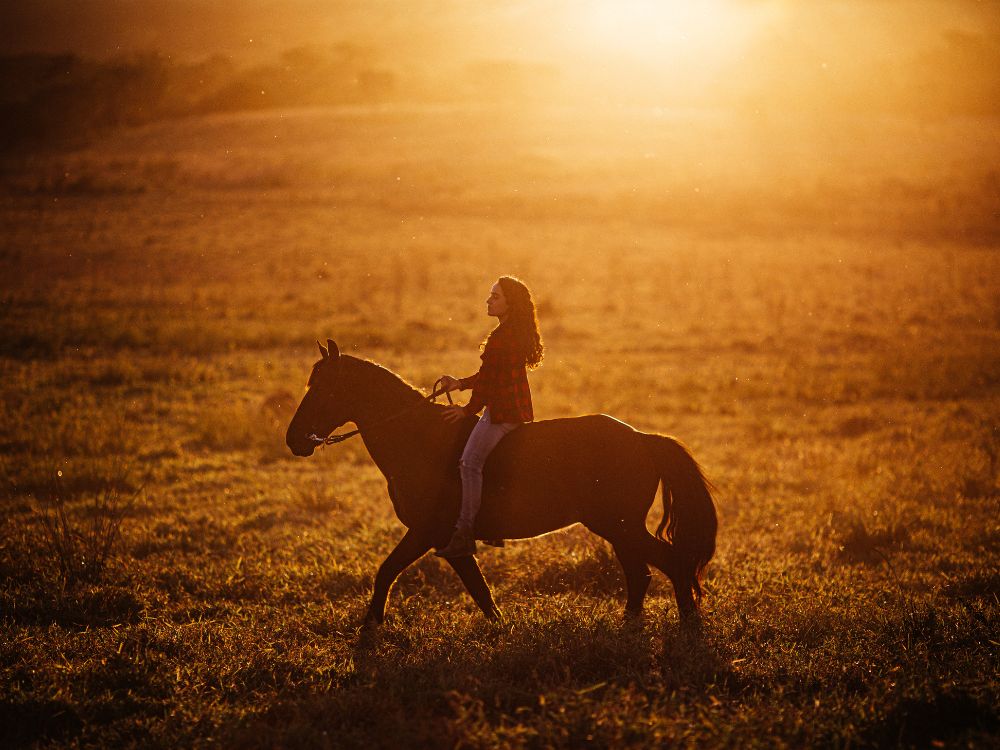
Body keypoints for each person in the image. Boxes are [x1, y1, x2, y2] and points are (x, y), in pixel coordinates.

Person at [434, 276, 544, 558]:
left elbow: (488, 385)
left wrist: (466, 410)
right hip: (515, 411)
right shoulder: (512, 332)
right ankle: (492, 524)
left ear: (510, 303)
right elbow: (489, 375)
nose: (488, 300)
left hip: (500, 414)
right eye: (490, 295)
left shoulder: (501, 338)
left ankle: (465, 532)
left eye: (495, 297)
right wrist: (459, 383)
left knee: (469, 463)